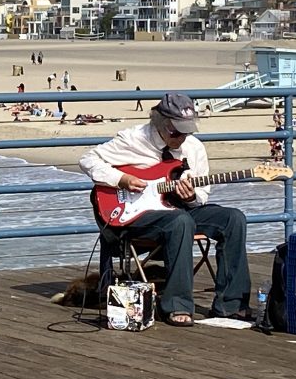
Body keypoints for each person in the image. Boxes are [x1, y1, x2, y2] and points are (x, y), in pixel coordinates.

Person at [79, 92, 251, 327]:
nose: (181, 138)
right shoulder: (132, 139)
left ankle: (232, 304)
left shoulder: (194, 148)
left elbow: (200, 198)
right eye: (175, 132)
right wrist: (121, 179)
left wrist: (191, 197)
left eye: (186, 131)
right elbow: (88, 160)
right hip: (138, 215)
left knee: (233, 218)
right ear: (160, 123)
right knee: (180, 221)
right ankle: (177, 305)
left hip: (176, 210)